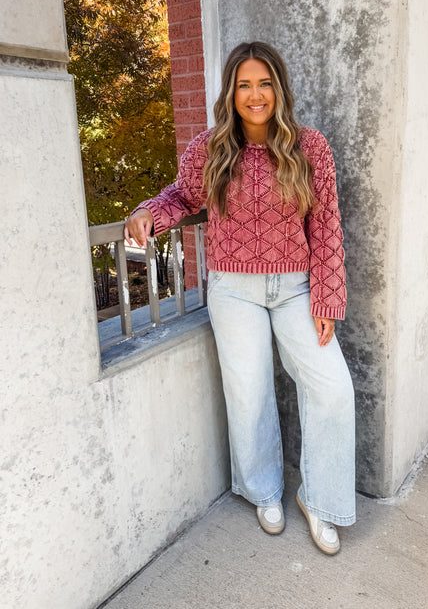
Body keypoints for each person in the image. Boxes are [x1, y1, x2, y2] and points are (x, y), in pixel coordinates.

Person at [124, 41, 355, 555]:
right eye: (245, 84)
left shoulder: (309, 147)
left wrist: (327, 299)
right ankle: (263, 490)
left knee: (332, 388)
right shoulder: (209, 149)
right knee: (249, 395)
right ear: (231, 92)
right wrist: (148, 213)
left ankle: (320, 500)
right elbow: (181, 198)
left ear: (279, 89)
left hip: (297, 287)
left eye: (265, 83)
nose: (255, 95)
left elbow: (328, 227)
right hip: (233, 290)